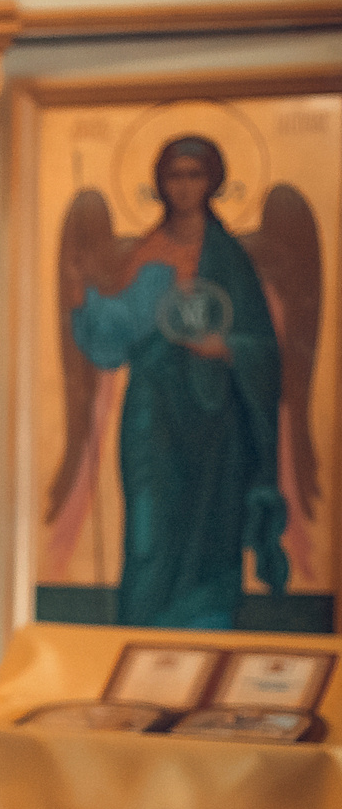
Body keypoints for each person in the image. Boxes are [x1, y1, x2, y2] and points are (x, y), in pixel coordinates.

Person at [66, 136, 288, 627]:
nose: (184, 187)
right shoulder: (143, 253)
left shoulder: (229, 259)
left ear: (212, 182)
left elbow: (264, 349)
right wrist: (85, 295)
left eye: (194, 175)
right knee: (148, 526)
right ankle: (141, 630)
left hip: (216, 419)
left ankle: (206, 632)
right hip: (153, 409)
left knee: (212, 528)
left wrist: (226, 347)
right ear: (160, 184)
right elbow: (115, 340)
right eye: (174, 176)